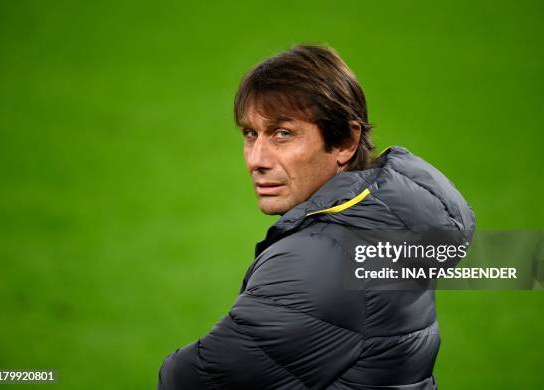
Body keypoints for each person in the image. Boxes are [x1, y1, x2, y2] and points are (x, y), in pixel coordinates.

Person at [157, 44, 475, 389]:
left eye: (283, 133)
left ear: (346, 142)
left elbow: (193, 380)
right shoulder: (384, 221)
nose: (256, 160)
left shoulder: (323, 258)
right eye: (251, 134)